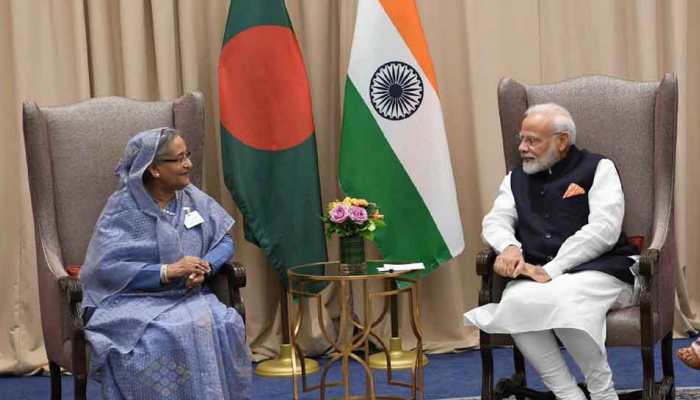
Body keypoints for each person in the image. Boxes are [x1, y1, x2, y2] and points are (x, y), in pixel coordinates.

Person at [464, 103, 640, 400]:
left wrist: (554, 269)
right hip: (540, 275)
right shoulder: (515, 179)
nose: (522, 147)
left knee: (566, 301)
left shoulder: (599, 167)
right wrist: (508, 247)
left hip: (603, 269)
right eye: (521, 139)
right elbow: (496, 220)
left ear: (561, 141)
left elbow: (604, 230)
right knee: (515, 302)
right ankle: (567, 394)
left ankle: (602, 392)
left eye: (532, 140)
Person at [80, 127, 252, 399]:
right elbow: (105, 268)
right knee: (156, 338)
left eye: (188, 155)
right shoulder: (123, 207)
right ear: (155, 169)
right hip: (132, 300)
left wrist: (204, 268)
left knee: (222, 324)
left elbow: (224, 240)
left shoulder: (193, 198)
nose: (189, 164)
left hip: (190, 296)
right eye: (179, 158)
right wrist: (167, 271)